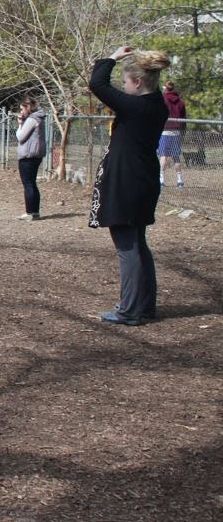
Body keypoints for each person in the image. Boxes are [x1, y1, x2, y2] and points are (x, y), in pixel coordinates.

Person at [88, 46, 170, 326]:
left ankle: (129, 310)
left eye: (124, 82)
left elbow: (96, 83)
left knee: (127, 247)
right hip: (144, 180)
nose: (121, 87)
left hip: (126, 182)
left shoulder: (134, 107)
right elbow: (104, 85)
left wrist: (112, 57)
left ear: (137, 83)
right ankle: (144, 305)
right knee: (138, 244)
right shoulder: (158, 103)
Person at [15, 96, 47, 220]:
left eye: (22, 108)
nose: (21, 111)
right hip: (36, 155)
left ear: (27, 107)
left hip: (28, 155)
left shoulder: (32, 120)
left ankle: (30, 213)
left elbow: (20, 136)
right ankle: (35, 212)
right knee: (32, 183)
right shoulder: (39, 118)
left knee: (28, 184)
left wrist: (20, 124)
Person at [159, 80, 187, 189]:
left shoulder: (163, 99)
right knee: (176, 157)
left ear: (166, 88)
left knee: (163, 156)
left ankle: (161, 180)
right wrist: (182, 131)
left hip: (165, 130)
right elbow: (184, 118)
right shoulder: (180, 101)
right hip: (176, 131)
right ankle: (180, 181)